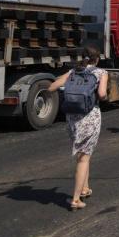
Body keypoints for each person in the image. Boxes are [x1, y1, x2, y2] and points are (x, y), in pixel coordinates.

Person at [48, 46, 108, 210]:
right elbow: (102, 94)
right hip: (90, 116)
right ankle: (75, 199)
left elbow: (52, 87)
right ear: (97, 59)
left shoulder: (73, 72)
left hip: (72, 119)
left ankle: (84, 188)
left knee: (83, 155)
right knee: (84, 158)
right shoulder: (101, 73)